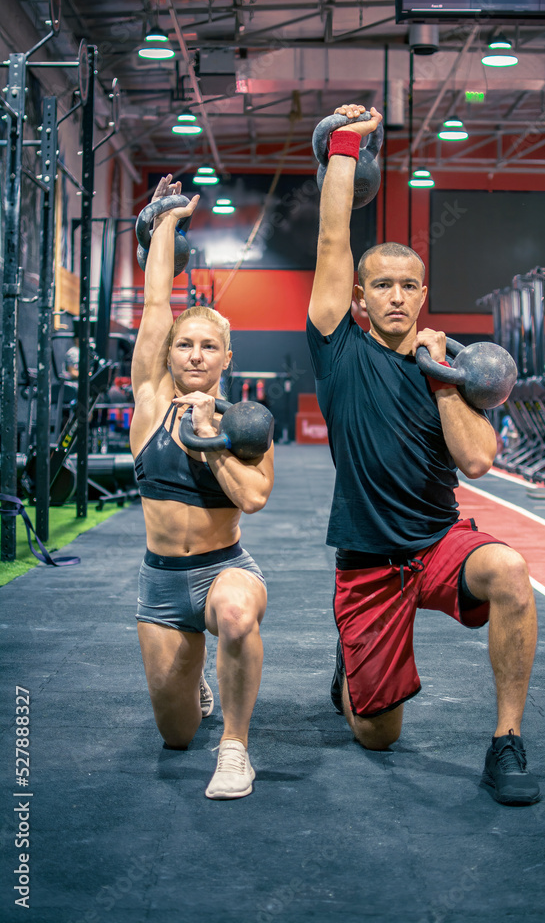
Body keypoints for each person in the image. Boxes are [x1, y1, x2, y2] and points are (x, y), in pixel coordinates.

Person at [307, 105, 540, 806]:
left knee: (509, 570)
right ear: (360, 296)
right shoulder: (336, 347)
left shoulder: (450, 369)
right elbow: (329, 239)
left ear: (423, 296)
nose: (397, 296)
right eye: (382, 284)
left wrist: (442, 380)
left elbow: (477, 463)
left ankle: (506, 743)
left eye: (409, 286)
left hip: (437, 544)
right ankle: (353, 671)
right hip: (368, 562)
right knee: (377, 736)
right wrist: (346, 145)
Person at [130, 175, 274, 800]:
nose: (193, 354)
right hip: (161, 583)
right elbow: (156, 303)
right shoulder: (147, 404)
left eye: (208, 346)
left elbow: (254, 499)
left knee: (238, 616)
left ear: (225, 358)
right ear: (170, 354)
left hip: (224, 568)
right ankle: (196, 687)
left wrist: (210, 442)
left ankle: (237, 748)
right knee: (176, 733)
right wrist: (165, 220)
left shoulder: (245, 423)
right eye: (185, 345)